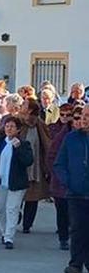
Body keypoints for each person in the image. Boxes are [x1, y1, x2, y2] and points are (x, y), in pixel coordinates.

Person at [53, 105, 89, 273]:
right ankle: (75, 265)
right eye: (83, 115)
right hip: (76, 193)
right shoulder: (71, 138)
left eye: (88, 116)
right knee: (77, 228)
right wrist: (68, 182)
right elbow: (59, 163)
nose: (84, 119)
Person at [0, 116, 34, 249]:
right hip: (0, 182)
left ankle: (9, 237)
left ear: (18, 129)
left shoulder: (24, 144)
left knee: (12, 209)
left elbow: (28, 161)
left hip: (16, 183)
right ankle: (4, 232)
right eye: (7, 126)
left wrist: (19, 148)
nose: (9, 128)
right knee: (0, 209)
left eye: (12, 126)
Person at [17, 99, 50, 234]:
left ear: (30, 109)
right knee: (16, 195)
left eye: (24, 104)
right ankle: (15, 216)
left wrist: (47, 165)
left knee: (32, 197)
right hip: (18, 166)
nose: (21, 106)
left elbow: (47, 144)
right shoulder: (17, 122)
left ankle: (27, 224)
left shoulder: (39, 124)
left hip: (36, 167)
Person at [47, 104, 75, 250]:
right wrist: (58, 174)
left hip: (80, 183)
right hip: (61, 180)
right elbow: (51, 156)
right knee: (62, 210)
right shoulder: (61, 134)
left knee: (76, 213)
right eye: (63, 115)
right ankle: (63, 237)